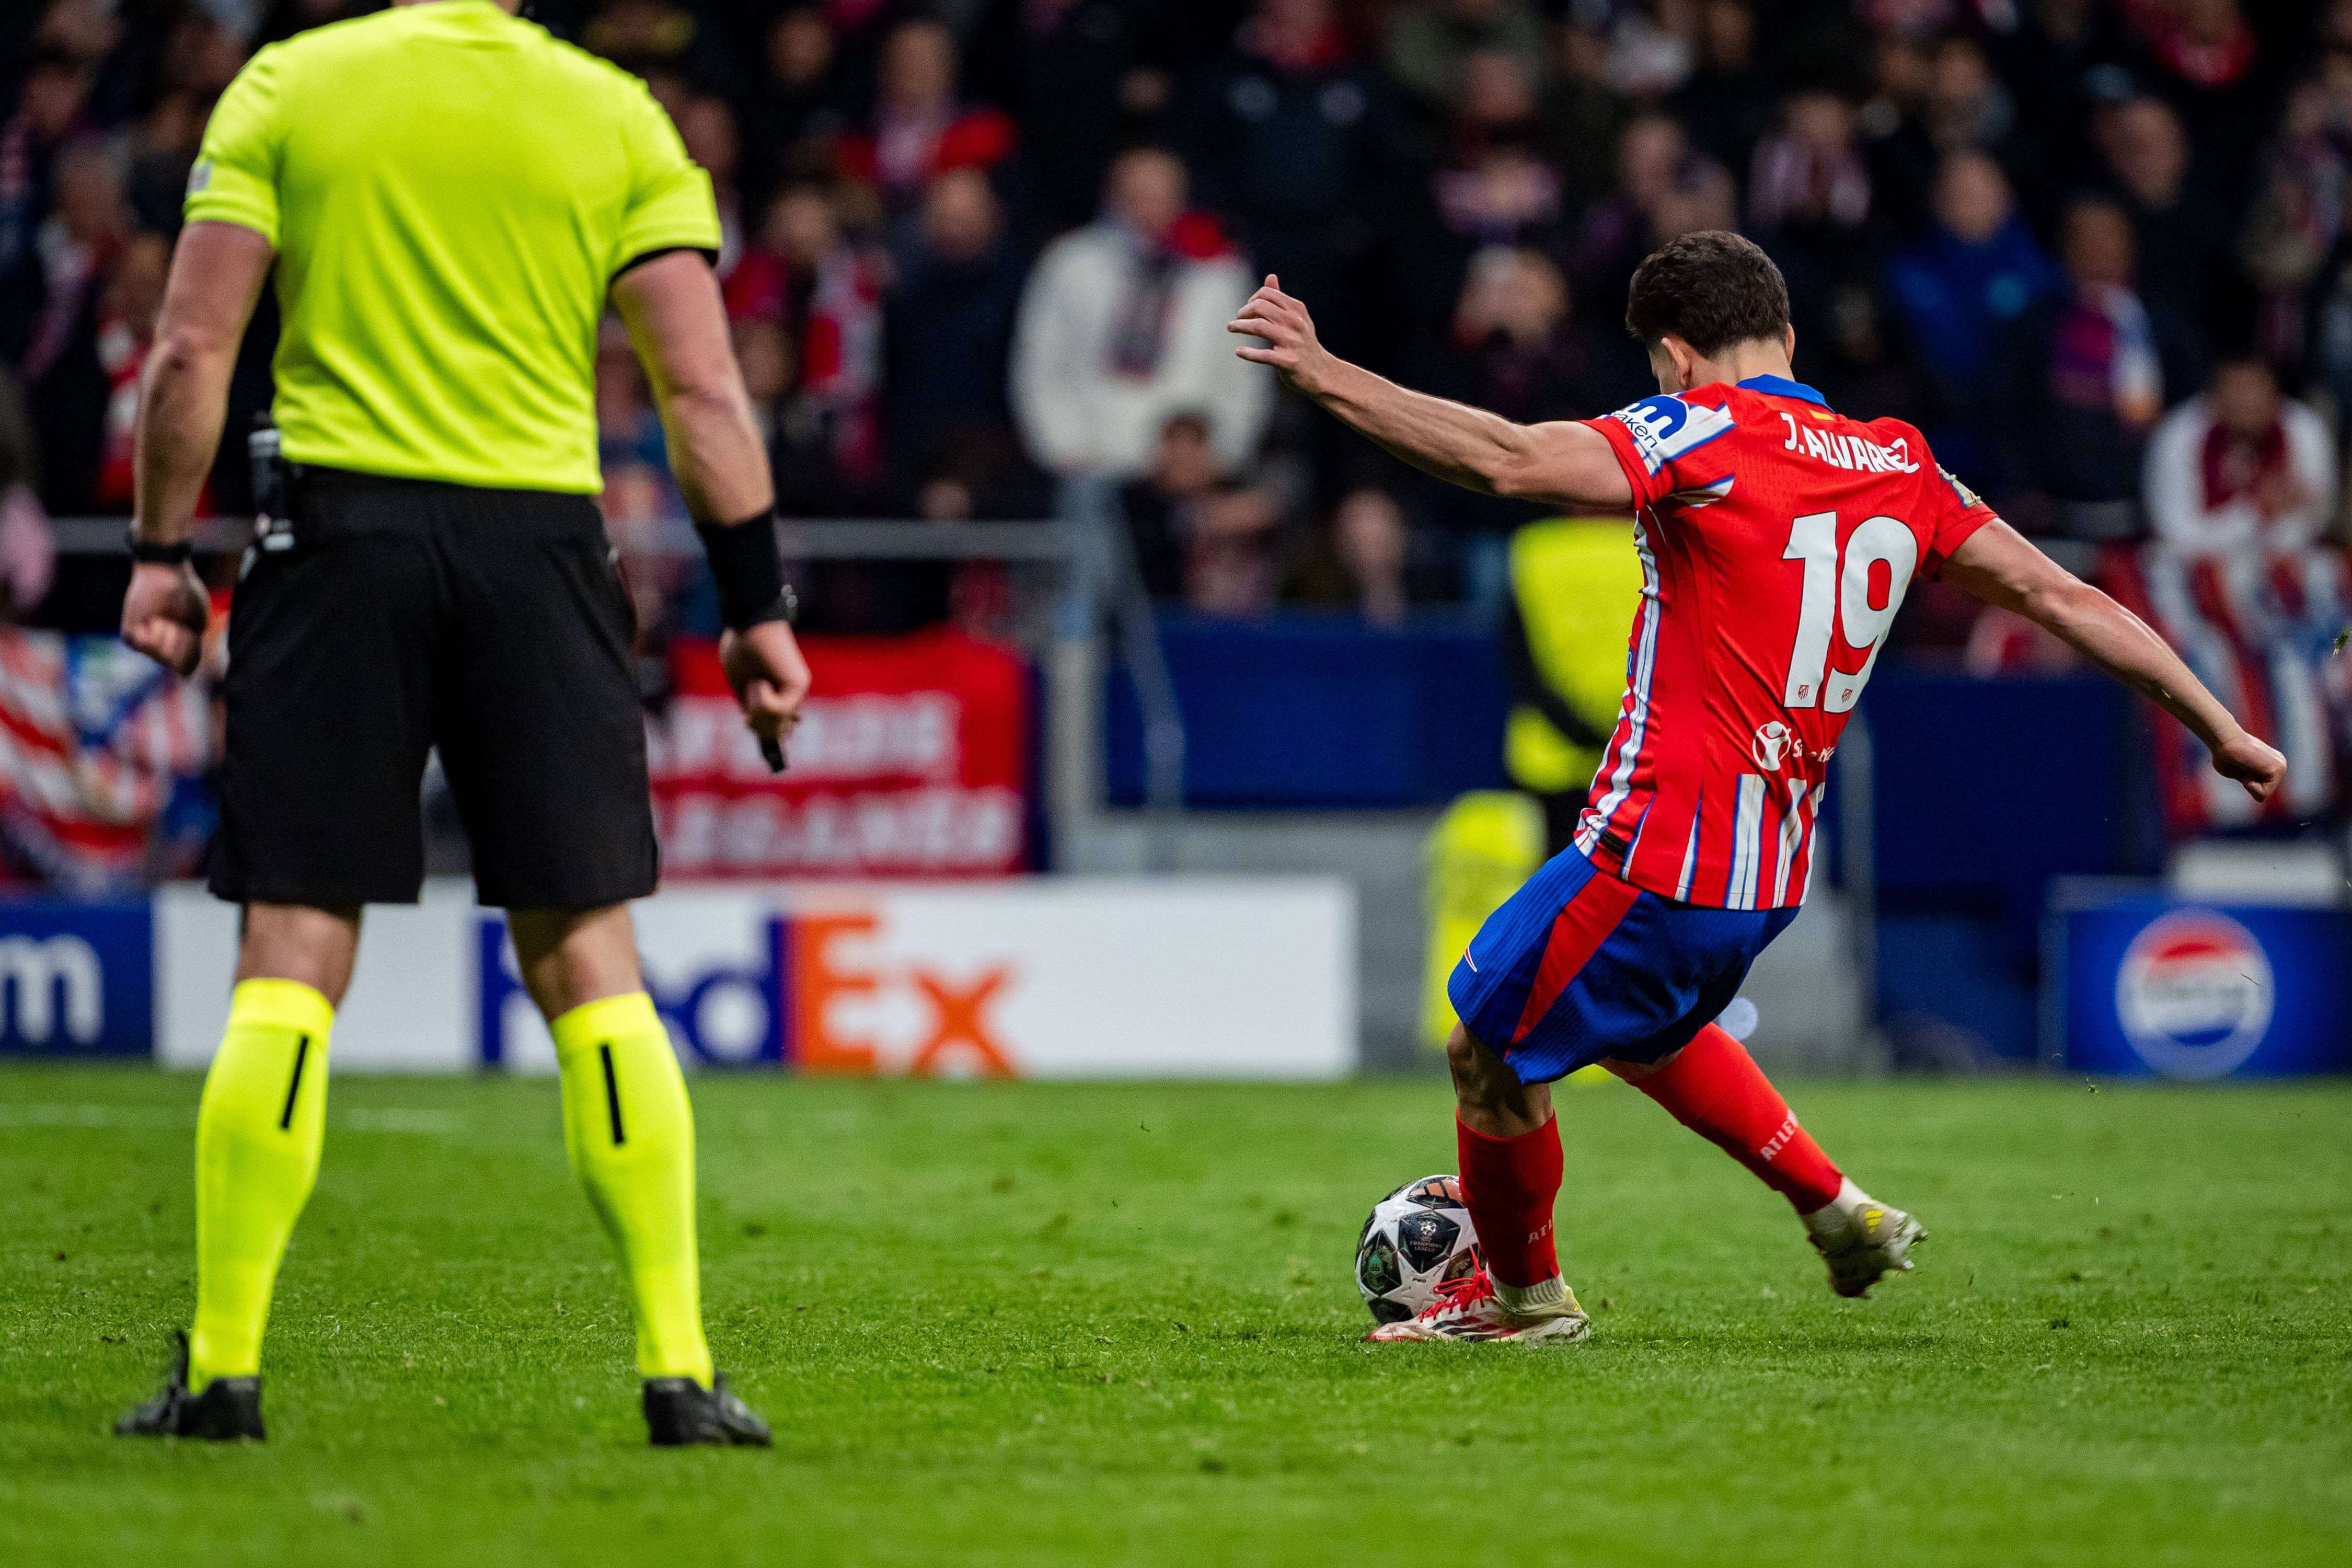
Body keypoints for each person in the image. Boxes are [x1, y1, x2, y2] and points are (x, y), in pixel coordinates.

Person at [1228, 230, 2286, 1343]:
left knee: (1485, 1048)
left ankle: (1523, 1304)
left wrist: (1324, 373)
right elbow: (2061, 597)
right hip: (1768, 873)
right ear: (1786, 333)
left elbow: (1506, 459)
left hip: (1660, 850)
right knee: (1641, 1027)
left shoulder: (1700, 429)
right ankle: (1836, 1207)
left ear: (1676, 360)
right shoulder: (1899, 462)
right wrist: (2220, 725)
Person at [113, 0, 811, 1444]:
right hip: (538, 554)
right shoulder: (614, 112)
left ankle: (228, 1374)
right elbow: (700, 387)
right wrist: (756, 608)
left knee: (293, 950)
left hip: (336, 540)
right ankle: (677, 1374)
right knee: (587, 955)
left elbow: (189, 350)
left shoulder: (289, 87)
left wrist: (158, 551)